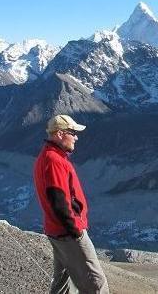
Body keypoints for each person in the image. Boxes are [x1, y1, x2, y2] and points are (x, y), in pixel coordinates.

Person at [33, 115, 109, 294]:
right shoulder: (54, 161)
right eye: (73, 133)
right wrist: (76, 231)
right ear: (60, 134)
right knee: (96, 284)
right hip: (68, 233)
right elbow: (58, 200)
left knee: (64, 283)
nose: (76, 137)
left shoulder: (49, 155)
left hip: (57, 231)